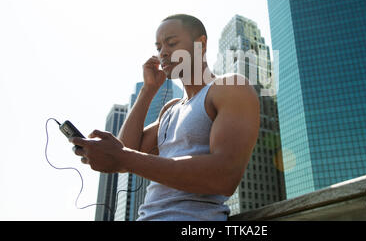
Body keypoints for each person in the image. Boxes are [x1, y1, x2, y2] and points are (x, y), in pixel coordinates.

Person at [70, 14, 260, 220]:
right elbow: (123, 154)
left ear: (201, 44)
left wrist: (120, 155)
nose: (163, 53)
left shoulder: (229, 88)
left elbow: (225, 177)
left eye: (171, 43)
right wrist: (148, 90)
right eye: (158, 47)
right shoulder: (170, 109)